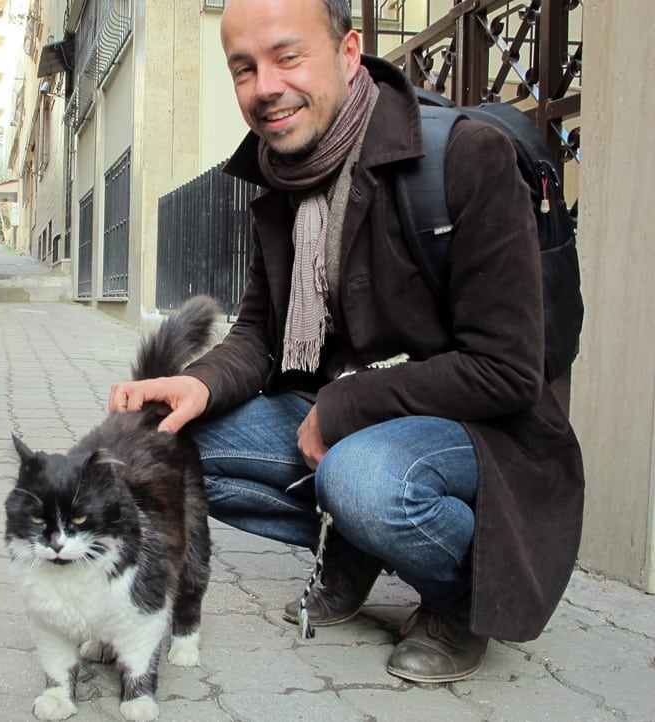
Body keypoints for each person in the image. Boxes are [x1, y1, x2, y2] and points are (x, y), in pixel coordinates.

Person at [108, 0, 584, 684]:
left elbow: (506, 370)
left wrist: (344, 404)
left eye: (287, 57)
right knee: (163, 445)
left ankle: (457, 603)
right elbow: (261, 332)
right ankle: (356, 545)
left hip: (483, 429)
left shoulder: (466, 157)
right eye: (244, 69)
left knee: (360, 479)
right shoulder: (281, 177)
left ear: (349, 52)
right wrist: (198, 384)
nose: (265, 86)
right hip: (358, 411)